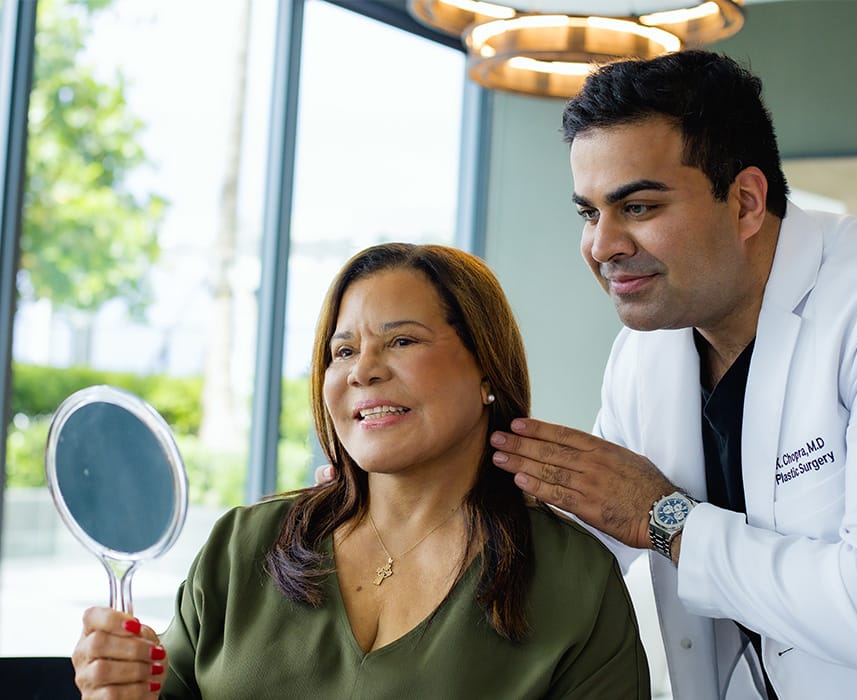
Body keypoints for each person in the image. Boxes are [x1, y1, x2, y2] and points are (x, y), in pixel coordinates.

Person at [488, 50, 857, 699]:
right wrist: (408, 509)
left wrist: (667, 519)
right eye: (589, 213)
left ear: (744, 203)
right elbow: (591, 550)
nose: (602, 246)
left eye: (640, 207)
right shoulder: (643, 354)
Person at [71, 243, 649, 698]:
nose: (362, 371)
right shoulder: (242, 545)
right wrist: (115, 690)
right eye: (342, 351)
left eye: (400, 340)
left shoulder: (575, 580)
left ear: (486, 372)